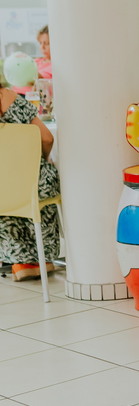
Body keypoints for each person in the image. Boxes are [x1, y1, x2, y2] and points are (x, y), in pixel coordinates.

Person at [0, 86, 61, 281]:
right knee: (42, 180)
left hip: (3, 189)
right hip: (31, 182)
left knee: (8, 191)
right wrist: (40, 160)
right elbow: (47, 138)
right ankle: (41, 258)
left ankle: (20, 260)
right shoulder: (7, 97)